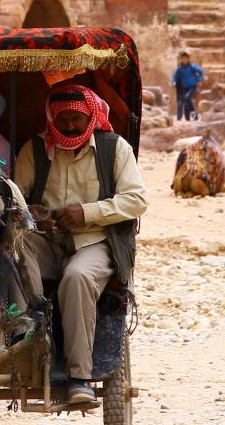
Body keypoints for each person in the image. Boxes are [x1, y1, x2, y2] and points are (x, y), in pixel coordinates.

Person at [13, 86, 148, 408]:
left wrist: (86, 212)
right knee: (14, 250)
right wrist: (30, 212)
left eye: (77, 118)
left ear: (90, 117)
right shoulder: (35, 149)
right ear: (52, 120)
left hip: (96, 241)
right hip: (46, 240)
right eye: (64, 119)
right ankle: (30, 334)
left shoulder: (113, 148)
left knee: (77, 277)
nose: (71, 125)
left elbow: (136, 200)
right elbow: (15, 198)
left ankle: (79, 377)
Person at [172, 52, 206, 122]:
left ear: (188, 59)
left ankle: (194, 115)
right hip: (185, 87)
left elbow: (201, 72)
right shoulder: (180, 69)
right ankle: (188, 118)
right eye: (182, 59)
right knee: (186, 101)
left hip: (192, 86)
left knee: (187, 98)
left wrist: (200, 80)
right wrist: (174, 82)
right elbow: (175, 76)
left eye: (185, 59)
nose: (184, 60)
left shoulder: (192, 67)